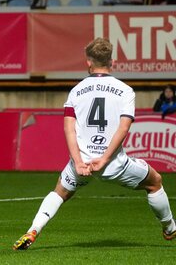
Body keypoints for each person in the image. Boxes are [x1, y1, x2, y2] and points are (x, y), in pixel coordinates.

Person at [13, 38, 176, 250]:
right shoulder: (125, 90)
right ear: (113, 62)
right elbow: (123, 128)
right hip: (113, 164)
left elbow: (68, 128)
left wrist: (79, 162)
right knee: (154, 182)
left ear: (88, 62)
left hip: (81, 164)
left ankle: (33, 230)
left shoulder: (76, 91)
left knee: (59, 193)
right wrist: (105, 159)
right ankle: (170, 227)